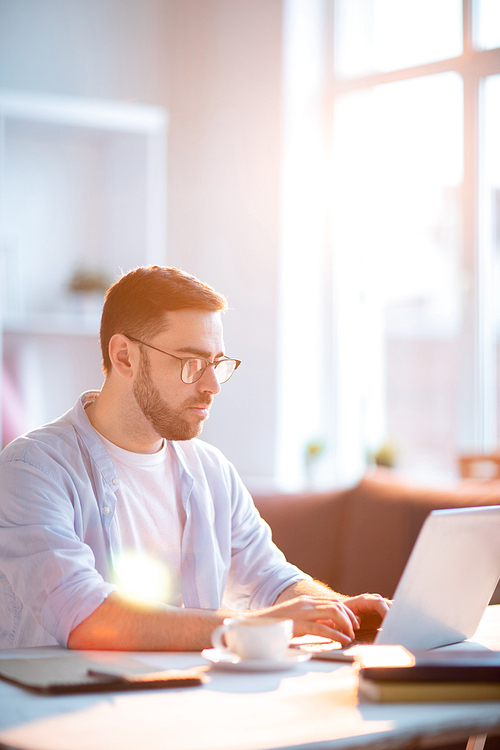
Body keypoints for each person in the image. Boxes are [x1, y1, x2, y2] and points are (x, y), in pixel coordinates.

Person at [0, 266, 389, 651]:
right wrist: (251, 626)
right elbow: (87, 619)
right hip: (66, 704)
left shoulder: (211, 469)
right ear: (124, 357)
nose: (213, 385)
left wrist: (339, 610)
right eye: (191, 363)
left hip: (188, 696)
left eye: (217, 362)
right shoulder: (33, 470)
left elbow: (268, 579)